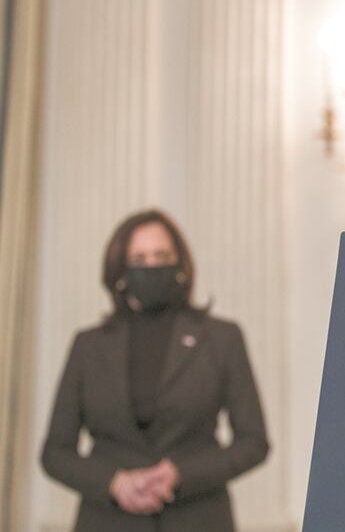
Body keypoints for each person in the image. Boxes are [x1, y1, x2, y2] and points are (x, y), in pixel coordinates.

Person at [41, 209, 269, 531]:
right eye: (139, 258)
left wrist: (181, 474)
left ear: (180, 265)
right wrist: (113, 482)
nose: (151, 266)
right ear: (120, 269)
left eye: (162, 256)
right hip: (108, 521)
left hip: (197, 518)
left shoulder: (221, 338)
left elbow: (253, 442)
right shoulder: (88, 346)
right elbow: (55, 452)